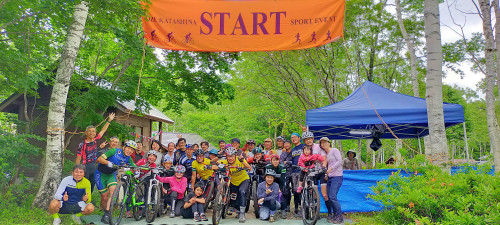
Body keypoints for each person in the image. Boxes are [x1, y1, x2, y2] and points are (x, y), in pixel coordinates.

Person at [95, 140, 137, 223]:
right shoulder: (114, 151)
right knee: (104, 196)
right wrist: (108, 163)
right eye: (128, 148)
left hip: (111, 175)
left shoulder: (128, 158)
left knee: (113, 192)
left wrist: (137, 170)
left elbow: (134, 166)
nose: (130, 151)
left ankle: (107, 214)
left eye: (132, 150)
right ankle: (103, 210)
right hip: (100, 174)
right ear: (124, 147)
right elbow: (99, 159)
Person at [75, 112, 115, 193]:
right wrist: (76, 170)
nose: (91, 133)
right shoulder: (82, 144)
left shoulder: (95, 140)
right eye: (89, 131)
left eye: (93, 131)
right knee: (82, 187)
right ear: (86, 133)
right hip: (85, 167)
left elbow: (103, 131)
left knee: (91, 187)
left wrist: (109, 120)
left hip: (94, 167)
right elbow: (78, 158)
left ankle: (87, 203)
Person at [218, 147, 252, 223]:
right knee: (233, 199)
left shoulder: (240, 160)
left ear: (235, 156)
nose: (230, 158)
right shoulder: (225, 162)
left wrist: (243, 162)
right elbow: (216, 164)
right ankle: (237, 210)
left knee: (242, 191)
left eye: (232, 156)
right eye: (228, 156)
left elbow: (249, 168)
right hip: (233, 182)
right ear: (226, 156)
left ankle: (242, 214)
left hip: (243, 180)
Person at [320, 137, 344, 223]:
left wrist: (331, 168)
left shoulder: (334, 150)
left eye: (325, 142)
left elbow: (340, 161)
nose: (323, 144)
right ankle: (335, 215)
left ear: (329, 143)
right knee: (330, 197)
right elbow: (328, 166)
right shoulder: (326, 154)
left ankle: (339, 217)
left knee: (333, 196)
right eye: (322, 143)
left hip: (337, 177)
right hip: (330, 178)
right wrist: (327, 174)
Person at [289, 133, 303, 217]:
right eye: (292, 138)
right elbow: (292, 160)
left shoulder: (303, 146)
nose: (293, 139)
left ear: (299, 138)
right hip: (294, 172)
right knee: (295, 191)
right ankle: (296, 208)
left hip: (302, 171)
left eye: (295, 137)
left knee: (301, 190)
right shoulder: (293, 150)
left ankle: (302, 208)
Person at [279, 140, 293, 218]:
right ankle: (286, 205)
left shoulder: (293, 152)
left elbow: (295, 162)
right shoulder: (283, 154)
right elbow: (281, 163)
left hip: (294, 172)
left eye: (288, 143)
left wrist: (287, 162)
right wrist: (289, 162)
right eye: (285, 144)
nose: (286, 145)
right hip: (286, 173)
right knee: (285, 189)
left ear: (291, 144)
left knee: (295, 189)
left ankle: (297, 207)